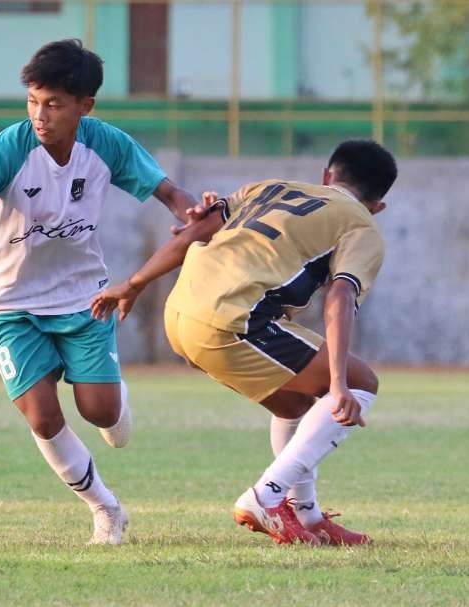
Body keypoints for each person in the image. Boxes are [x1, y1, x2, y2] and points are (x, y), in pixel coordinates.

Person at [0, 39, 199, 545]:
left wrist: (194, 214)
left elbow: (170, 194)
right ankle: (105, 509)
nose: (39, 114)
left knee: (100, 413)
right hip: (8, 304)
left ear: (84, 106)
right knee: (43, 415)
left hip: (82, 297)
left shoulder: (107, 144)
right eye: (33, 100)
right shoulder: (7, 150)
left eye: (53, 104)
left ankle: (115, 398)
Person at [91, 139, 398, 546]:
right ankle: (265, 497)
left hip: (180, 313)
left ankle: (307, 516)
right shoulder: (361, 225)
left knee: (294, 403)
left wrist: (134, 284)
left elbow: (195, 232)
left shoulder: (268, 187)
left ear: (327, 175)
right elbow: (341, 296)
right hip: (232, 320)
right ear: (377, 206)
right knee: (363, 382)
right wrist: (340, 384)